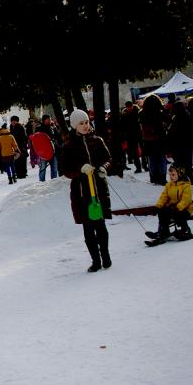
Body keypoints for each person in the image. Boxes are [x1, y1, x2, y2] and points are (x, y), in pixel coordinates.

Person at [60, 109, 113, 273]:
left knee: (101, 226)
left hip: (99, 190)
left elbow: (108, 159)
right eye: (81, 123)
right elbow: (65, 169)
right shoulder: (68, 146)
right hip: (82, 193)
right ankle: (95, 260)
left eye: (86, 123)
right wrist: (80, 169)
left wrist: (104, 168)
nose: (85, 126)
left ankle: (106, 256)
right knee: (89, 229)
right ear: (74, 126)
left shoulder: (97, 140)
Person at [145, 165, 193, 240]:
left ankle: (185, 230)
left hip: (185, 208)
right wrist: (158, 206)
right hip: (172, 207)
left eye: (173, 175)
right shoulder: (169, 185)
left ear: (180, 175)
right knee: (162, 212)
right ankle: (164, 231)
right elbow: (164, 197)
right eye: (170, 175)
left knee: (179, 213)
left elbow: (186, 199)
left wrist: (178, 207)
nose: (171, 177)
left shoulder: (186, 185)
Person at [140, 95, 168, 185]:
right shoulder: (161, 112)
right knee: (162, 159)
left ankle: (154, 177)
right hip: (160, 139)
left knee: (152, 159)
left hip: (148, 140)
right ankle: (163, 177)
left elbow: (142, 128)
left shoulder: (142, 113)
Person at [167, 101, 193, 184]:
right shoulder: (187, 115)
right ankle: (190, 179)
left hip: (178, 144)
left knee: (180, 163)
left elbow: (172, 132)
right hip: (186, 144)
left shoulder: (177, 118)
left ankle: (184, 179)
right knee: (187, 163)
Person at [37, 115, 60, 181]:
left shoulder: (53, 127)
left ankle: (54, 181)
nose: (50, 120)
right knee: (42, 168)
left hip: (53, 150)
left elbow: (57, 137)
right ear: (44, 120)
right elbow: (37, 139)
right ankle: (41, 181)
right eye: (48, 119)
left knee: (54, 168)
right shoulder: (39, 128)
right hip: (43, 151)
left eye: (50, 119)